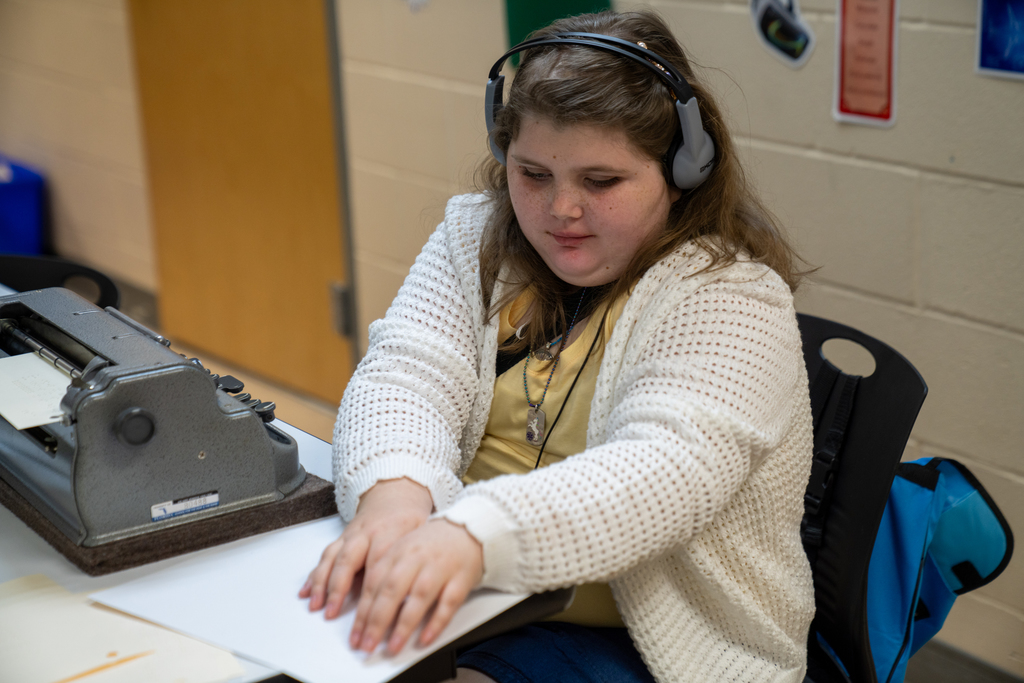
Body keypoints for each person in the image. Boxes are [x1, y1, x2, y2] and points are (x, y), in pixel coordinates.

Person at [301, 9, 815, 683]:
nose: (559, 209)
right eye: (532, 173)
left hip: (653, 641)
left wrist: (469, 536)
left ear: (684, 169)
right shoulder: (475, 236)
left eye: (601, 182)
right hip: (479, 592)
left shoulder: (734, 296)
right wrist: (395, 496)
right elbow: (407, 374)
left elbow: (663, 472)